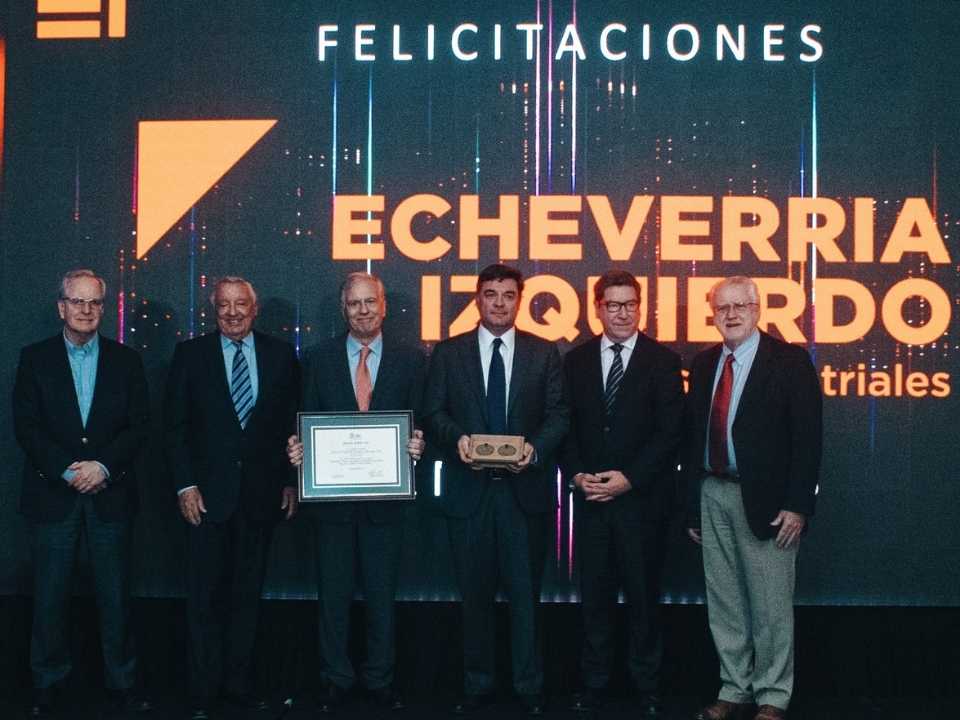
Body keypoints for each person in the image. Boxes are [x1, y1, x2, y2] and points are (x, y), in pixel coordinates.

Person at [422, 263, 569, 716]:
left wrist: (535, 450)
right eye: (491, 294)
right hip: (470, 494)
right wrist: (457, 440)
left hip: (524, 495)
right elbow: (433, 412)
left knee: (526, 598)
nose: (500, 303)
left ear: (519, 300)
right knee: (475, 597)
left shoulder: (544, 352)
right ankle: (477, 684)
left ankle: (529, 686)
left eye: (508, 295)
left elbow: (559, 414)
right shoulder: (449, 353)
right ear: (478, 299)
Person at [285, 272, 425, 714]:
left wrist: (419, 443)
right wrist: (297, 448)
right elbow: (302, 416)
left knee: (382, 599)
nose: (363, 311)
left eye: (370, 302)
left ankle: (380, 680)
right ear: (343, 309)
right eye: (354, 303)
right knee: (333, 598)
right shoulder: (317, 358)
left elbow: (423, 419)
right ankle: (336, 679)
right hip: (332, 504)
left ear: (384, 306)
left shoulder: (412, 360)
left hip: (387, 504)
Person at [13, 269, 150, 719]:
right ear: (61, 307)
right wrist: (67, 470)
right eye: (77, 301)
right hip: (54, 495)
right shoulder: (34, 359)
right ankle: (48, 682)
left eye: (94, 303)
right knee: (49, 596)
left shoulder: (126, 361)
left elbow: (139, 426)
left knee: (116, 597)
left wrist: (102, 466)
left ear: (103, 309)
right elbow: (27, 427)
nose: (86, 310)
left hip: (110, 493)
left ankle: (122, 682)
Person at [685, 276, 822, 720]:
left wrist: (798, 505)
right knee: (724, 602)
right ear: (713, 314)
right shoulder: (704, 364)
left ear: (757, 309)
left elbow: (808, 440)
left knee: (770, 606)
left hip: (769, 503)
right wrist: (691, 506)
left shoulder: (789, 362)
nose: (731, 314)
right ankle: (735, 687)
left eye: (740, 305)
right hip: (712, 492)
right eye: (723, 307)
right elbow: (691, 439)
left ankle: (773, 695)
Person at [163, 276, 300, 720]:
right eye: (224, 305)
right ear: (213, 309)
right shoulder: (190, 355)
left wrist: (290, 481)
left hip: (261, 499)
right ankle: (203, 694)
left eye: (241, 304)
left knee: (246, 599)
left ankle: (238, 688)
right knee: (203, 600)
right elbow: (175, 428)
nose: (233, 312)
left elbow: (291, 425)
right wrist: (185, 485)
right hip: (206, 499)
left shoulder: (282, 355)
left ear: (255, 309)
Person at [562, 270, 684, 717]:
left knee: (643, 599)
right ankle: (594, 685)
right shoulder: (575, 360)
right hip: (592, 500)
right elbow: (565, 427)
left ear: (640, 307)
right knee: (594, 600)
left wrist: (630, 478)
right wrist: (577, 475)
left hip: (642, 503)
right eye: (613, 305)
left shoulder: (664, 361)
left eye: (630, 304)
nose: (622, 313)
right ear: (597, 308)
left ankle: (647, 688)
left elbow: (671, 433)